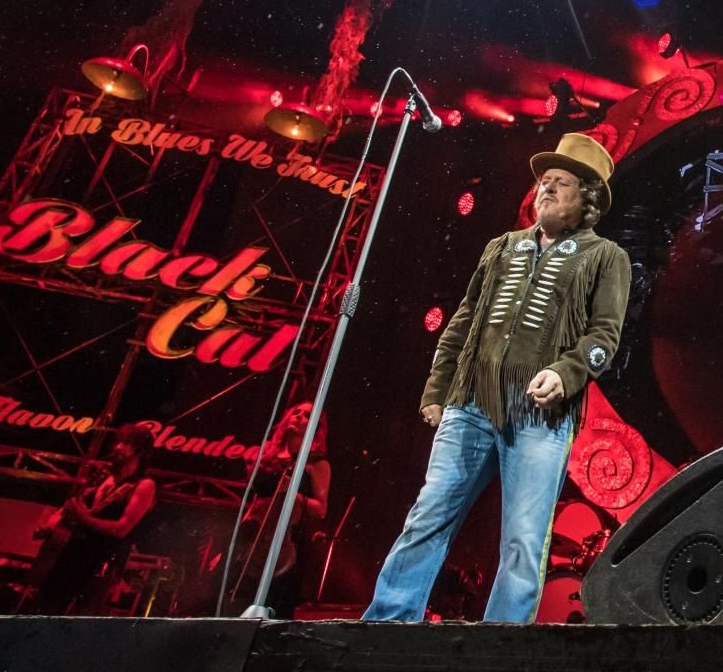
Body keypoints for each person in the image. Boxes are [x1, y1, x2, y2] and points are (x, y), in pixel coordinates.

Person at [364, 133, 630, 623]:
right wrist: (438, 387)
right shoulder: (502, 247)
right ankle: (387, 621)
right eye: (544, 180)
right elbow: (463, 321)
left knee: (524, 540)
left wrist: (565, 373)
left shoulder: (606, 256)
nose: (546, 188)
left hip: (540, 417)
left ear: (587, 198)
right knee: (429, 515)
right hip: (471, 402)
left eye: (561, 182)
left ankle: (502, 639)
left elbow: (604, 337)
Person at [24, 421, 159, 615]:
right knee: (42, 606)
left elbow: (121, 528)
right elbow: (72, 506)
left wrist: (84, 518)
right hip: (67, 556)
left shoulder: (144, 485)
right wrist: (51, 525)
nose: (117, 447)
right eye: (118, 442)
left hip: (97, 566)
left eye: (126, 443)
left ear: (140, 451)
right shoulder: (104, 477)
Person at [217, 401, 331, 618]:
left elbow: (321, 508)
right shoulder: (268, 455)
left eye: (306, 415)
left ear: (316, 427)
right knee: (233, 598)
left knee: (274, 603)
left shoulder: (316, 464)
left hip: (284, 543)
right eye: (296, 412)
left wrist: (293, 494)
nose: (298, 416)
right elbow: (254, 499)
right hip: (251, 537)